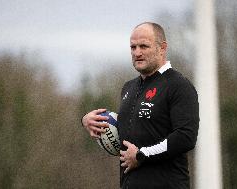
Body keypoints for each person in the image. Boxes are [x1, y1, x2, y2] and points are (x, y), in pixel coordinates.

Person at [82, 22, 199, 189]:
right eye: (133, 47)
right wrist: (88, 120)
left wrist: (142, 154)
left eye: (143, 46)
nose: (137, 52)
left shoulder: (178, 85)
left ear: (162, 48)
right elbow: (128, 132)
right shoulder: (128, 88)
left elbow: (185, 137)